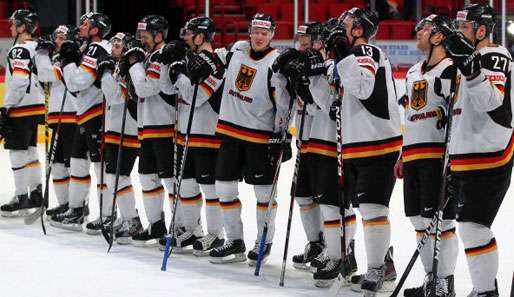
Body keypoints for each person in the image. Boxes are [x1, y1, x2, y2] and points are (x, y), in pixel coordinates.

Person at [208, 13, 294, 265]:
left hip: (260, 137)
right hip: (230, 132)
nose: (259, 37)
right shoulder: (236, 50)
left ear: (272, 35)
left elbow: (284, 102)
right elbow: (213, 59)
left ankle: (263, 241)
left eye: (264, 33)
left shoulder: (276, 61)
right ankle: (234, 240)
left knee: (264, 193)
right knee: (224, 188)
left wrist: (283, 135)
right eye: (255, 31)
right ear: (249, 32)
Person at [330, 7, 402, 294]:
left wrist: (342, 55)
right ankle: (382, 260)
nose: (339, 26)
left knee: (373, 209)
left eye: (345, 24)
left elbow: (363, 88)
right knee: (365, 210)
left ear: (358, 31)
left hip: (377, 144)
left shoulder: (366, 52)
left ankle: (377, 269)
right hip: (357, 144)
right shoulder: (352, 56)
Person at [445, 4, 513, 296]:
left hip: (489, 156)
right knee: (470, 227)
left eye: (465, 28)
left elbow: (493, 104)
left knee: (474, 227)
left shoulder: (494, 55)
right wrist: (451, 159)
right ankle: (484, 289)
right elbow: (459, 118)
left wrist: (472, 68)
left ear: (482, 30)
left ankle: (486, 291)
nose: (460, 34)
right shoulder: (468, 61)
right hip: (467, 157)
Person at [394, 14, 458, 297]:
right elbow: (410, 115)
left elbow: (459, 116)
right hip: (413, 155)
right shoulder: (412, 72)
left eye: (424, 29)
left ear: (438, 36)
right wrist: (401, 153)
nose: (417, 32)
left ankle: (445, 282)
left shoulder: (452, 70)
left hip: (438, 157)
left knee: (442, 222)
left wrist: (455, 157)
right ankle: (431, 278)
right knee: (419, 221)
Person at [158, 16, 225, 255]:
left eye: (189, 33)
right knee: (185, 186)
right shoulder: (187, 58)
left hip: (207, 133)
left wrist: (179, 75)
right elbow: (166, 89)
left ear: (200, 37)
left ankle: (217, 234)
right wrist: (169, 66)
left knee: (209, 188)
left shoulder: (216, 63)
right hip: (184, 131)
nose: (184, 37)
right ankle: (192, 229)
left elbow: (197, 97)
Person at [123, 15, 183, 247]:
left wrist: (135, 65)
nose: (141, 39)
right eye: (140, 34)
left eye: (145, 34)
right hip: (147, 127)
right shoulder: (149, 56)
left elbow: (147, 88)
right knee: (147, 178)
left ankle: (182, 227)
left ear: (159, 35)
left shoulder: (161, 57)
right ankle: (156, 224)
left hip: (164, 128)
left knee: (170, 180)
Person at [49, 12, 112, 231]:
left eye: (86, 24)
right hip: (85, 114)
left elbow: (78, 82)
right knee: (77, 162)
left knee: (100, 167)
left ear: (96, 29)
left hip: (97, 114)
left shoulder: (97, 48)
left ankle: (107, 215)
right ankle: (76, 209)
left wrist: (67, 62)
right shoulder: (88, 49)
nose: (81, 27)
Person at [86, 32, 141, 241]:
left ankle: (133, 222)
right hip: (115, 130)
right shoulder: (119, 68)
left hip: (127, 131)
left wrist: (106, 74)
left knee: (119, 177)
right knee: (113, 177)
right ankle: (128, 220)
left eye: (118, 44)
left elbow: (116, 97)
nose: (114, 47)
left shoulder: (129, 69)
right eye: (114, 43)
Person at [0, 9, 44, 217]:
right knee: (30, 150)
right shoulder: (36, 47)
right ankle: (36, 193)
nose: (10, 27)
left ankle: (21, 196)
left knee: (17, 152)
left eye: (14, 24)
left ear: (22, 27)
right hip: (36, 106)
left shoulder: (18, 50)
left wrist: (6, 106)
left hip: (21, 106)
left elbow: (18, 81)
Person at [34, 25, 80, 219]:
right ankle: (64, 203)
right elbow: (40, 78)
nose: (58, 41)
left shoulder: (72, 58)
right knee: (58, 163)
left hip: (71, 115)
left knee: (72, 164)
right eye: (56, 37)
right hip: (58, 117)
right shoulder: (56, 59)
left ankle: (78, 205)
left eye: (62, 37)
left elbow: (47, 74)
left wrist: (41, 54)